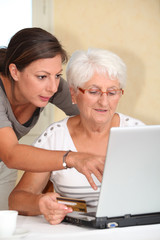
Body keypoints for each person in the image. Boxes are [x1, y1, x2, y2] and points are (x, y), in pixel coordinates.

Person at [9, 48, 145, 224]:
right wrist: (40, 203)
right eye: (94, 92)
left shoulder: (137, 133)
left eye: (112, 92)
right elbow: (16, 200)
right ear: (73, 94)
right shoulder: (55, 136)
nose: (104, 102)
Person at [0, 29, 105, 210]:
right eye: (41, 77)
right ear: (15, 72)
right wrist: (71, 158)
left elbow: (92, 115)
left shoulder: (51, 85)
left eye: (57, 75)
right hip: (8, 156)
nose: (52, 87)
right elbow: (11, 153)